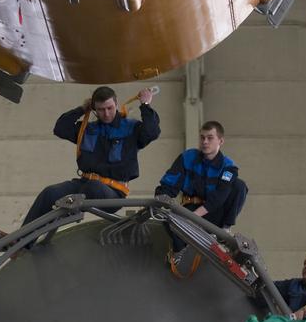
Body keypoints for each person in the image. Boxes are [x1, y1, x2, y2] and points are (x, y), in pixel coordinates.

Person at [18, 86, 160, 231]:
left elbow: (152, 132)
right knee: (50, 193)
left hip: (113, 192)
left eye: (110, 108)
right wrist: (81, 109)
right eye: (100, 109)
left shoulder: (131, 128)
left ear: (116, 105)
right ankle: (19, 241)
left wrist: (145, 105)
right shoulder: (88, 129)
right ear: (94, 109)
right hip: (84, 183)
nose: (106, 114)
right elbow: (60, 128)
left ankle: (68, 210)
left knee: (93, 187)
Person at [155, 121, 248, 264]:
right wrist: (160, 200)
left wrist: (194, 216)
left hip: (214, 214)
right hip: (189, 208)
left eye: (210, 138)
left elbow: (220, 197)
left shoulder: (228, 166)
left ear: (220, 141)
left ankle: (224, 232)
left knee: (239, 186)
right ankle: (179, 252)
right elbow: (171, 182)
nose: (205, 142)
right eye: (202, 137)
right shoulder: (188, 157)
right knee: (169, 217)